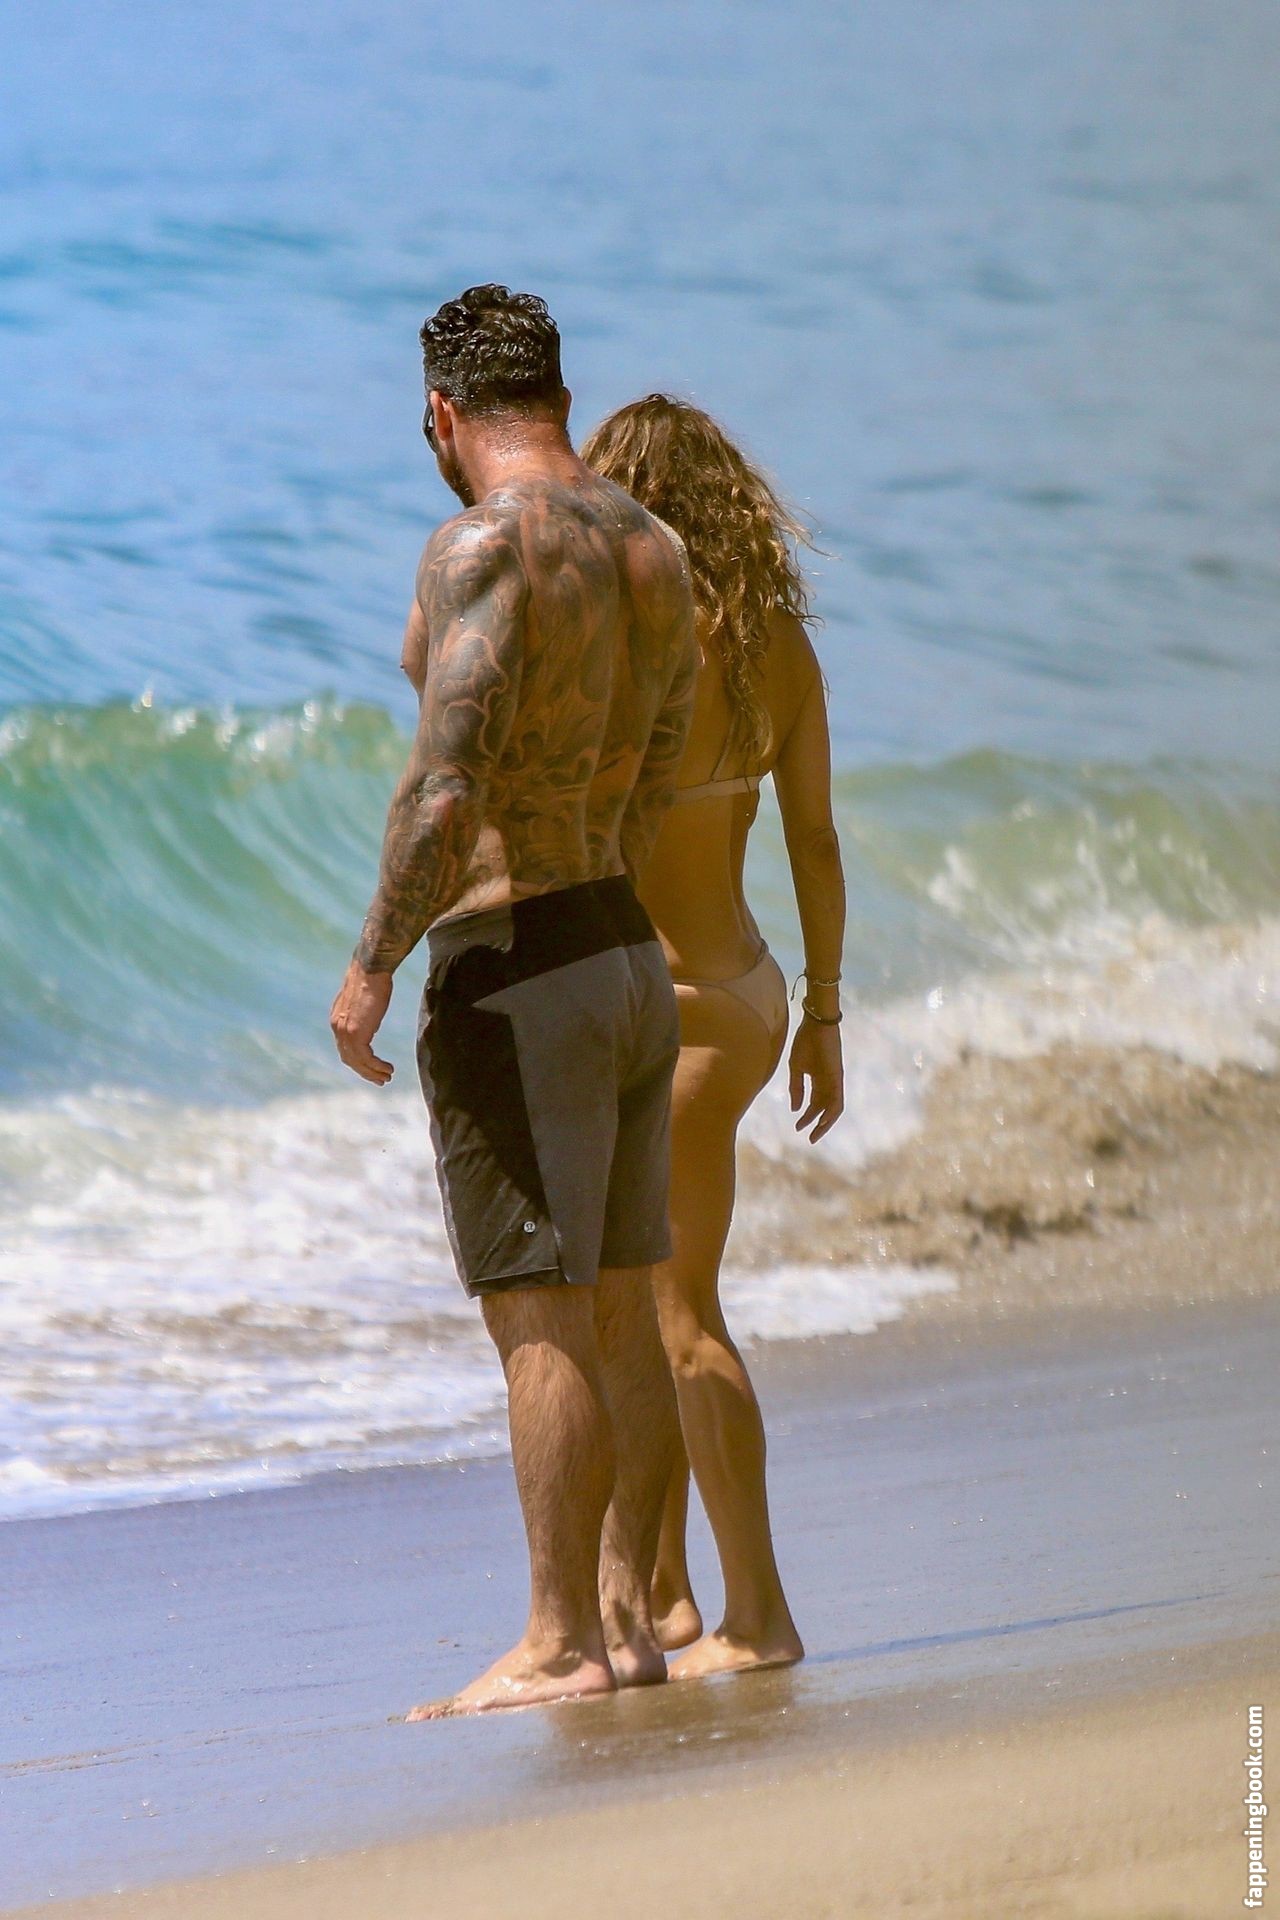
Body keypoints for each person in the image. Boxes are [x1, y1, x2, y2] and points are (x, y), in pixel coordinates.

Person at [330, 291, 698, 1717]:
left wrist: (374, 963)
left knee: (537, 1314)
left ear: (442, 413)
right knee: (621, 1300)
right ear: (558, 394)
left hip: (518, 962)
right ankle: (631, 1614)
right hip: (621, 943)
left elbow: (444, 783)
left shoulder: (481, 545)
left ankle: (557, 1642)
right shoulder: (650, 546)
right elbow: (661, 755)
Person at [581, 395, 846, 1679]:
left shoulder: (628, 635)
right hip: (744, 991)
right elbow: (814, 842)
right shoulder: (776, 647)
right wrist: (826, 1015)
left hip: (666, 1011)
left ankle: (758, 1615)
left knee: (677, 1311)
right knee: (644, 1308)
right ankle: (671, 1595)